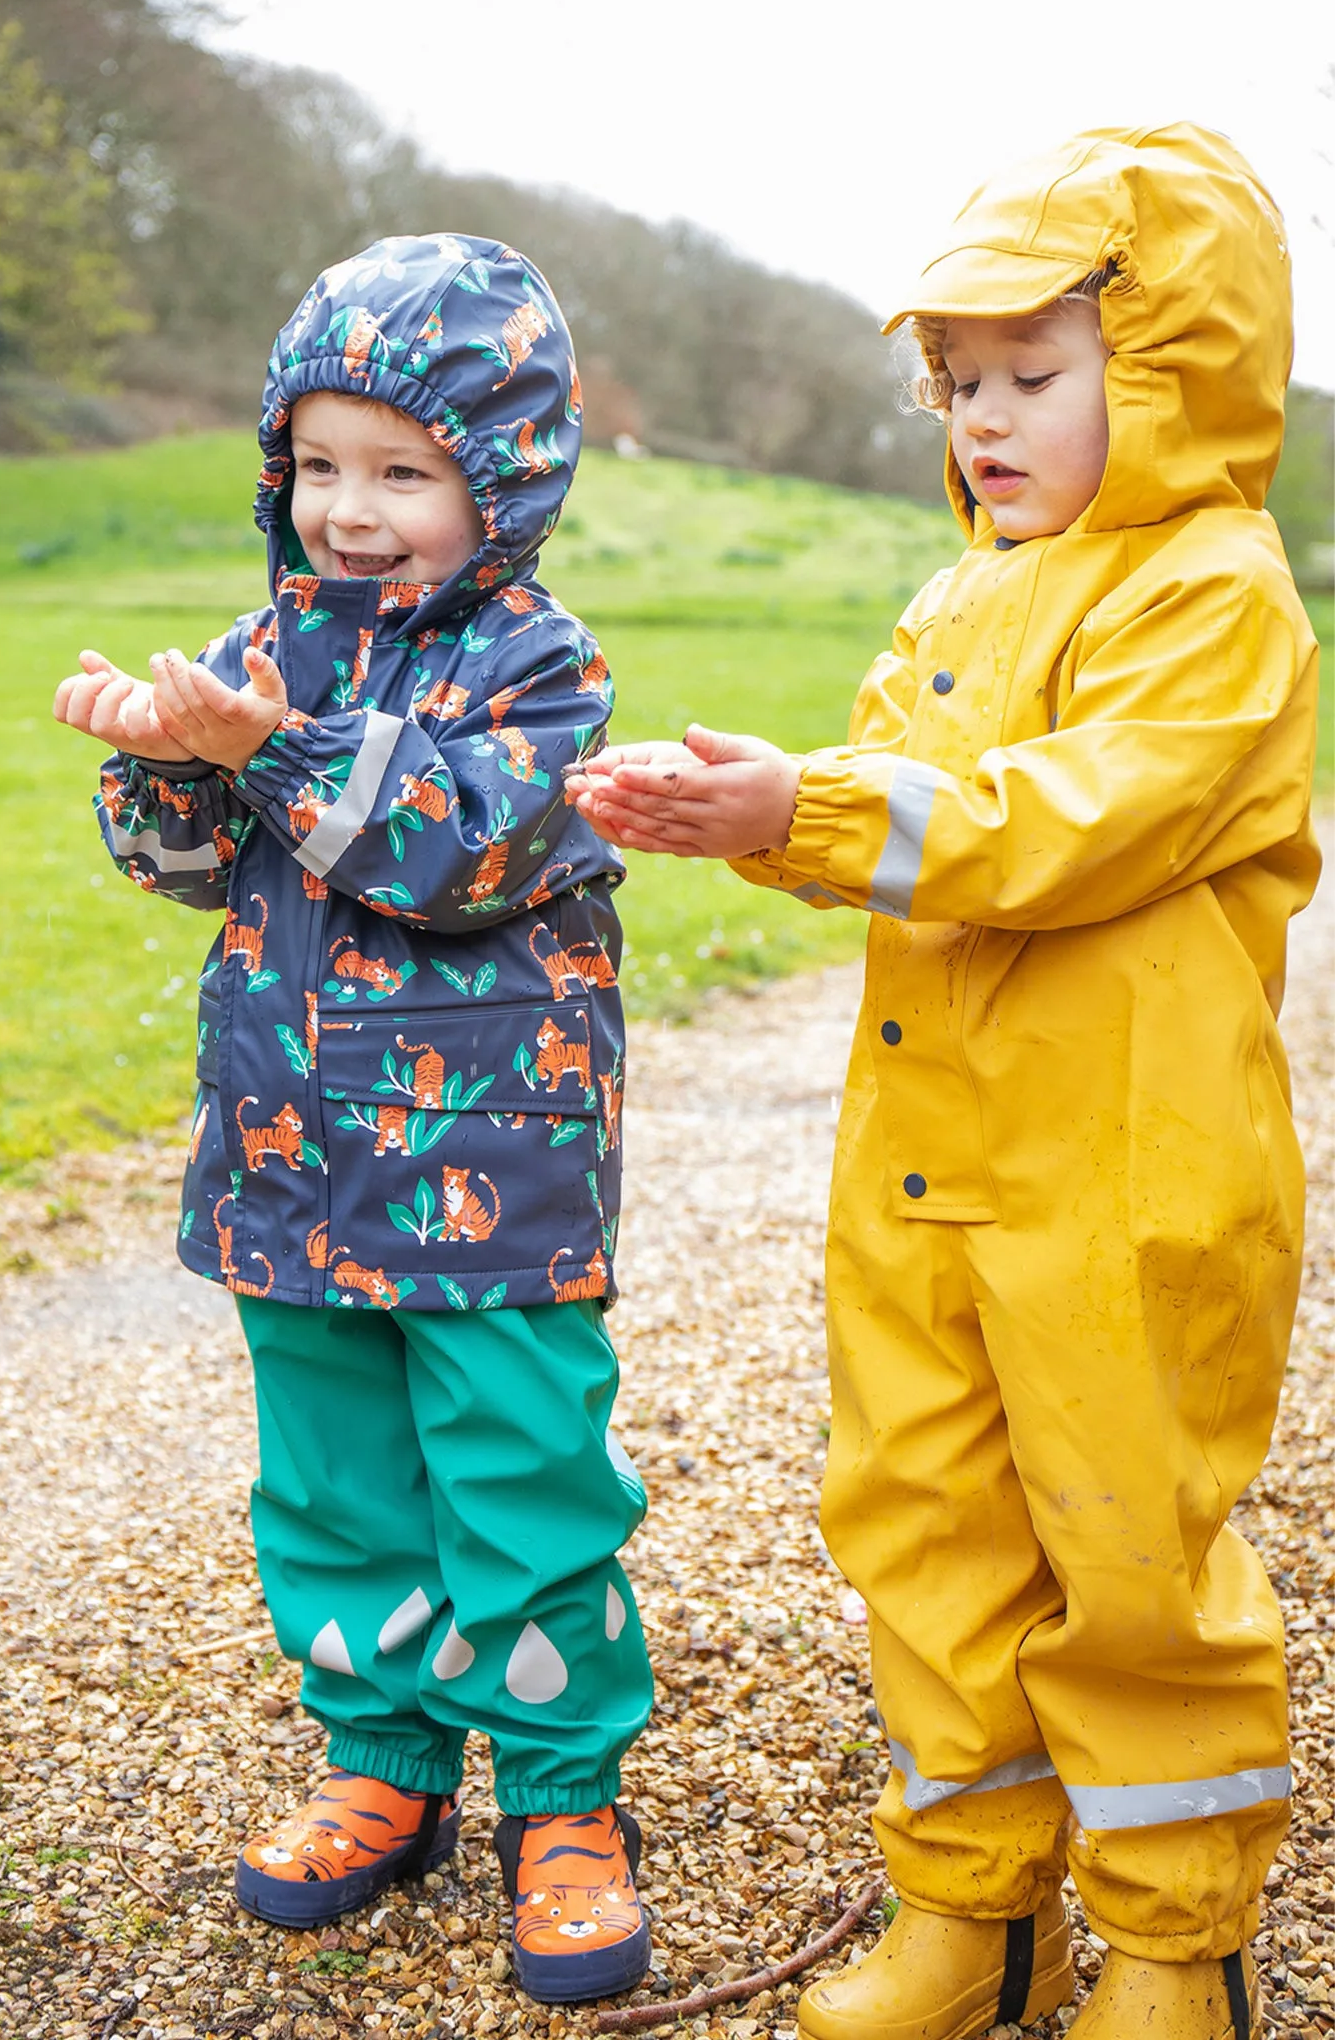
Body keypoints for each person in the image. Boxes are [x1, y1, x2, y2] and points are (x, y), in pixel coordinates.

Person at [568, 126, 1321, 2040]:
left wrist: (803, 808)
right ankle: (973, 1915)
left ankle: (1170, 1941)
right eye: (958, 383)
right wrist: (749, 805)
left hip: (1125, 1180)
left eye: (1033, 376)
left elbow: (1064, 826)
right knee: (923, 1524)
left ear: (1165, 371)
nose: (983, 421)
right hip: (922, 1168)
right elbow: (894, 806)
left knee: (1127, 1546)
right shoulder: (960, 589)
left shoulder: (1212, 590)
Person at [52, 233, 655, 2005]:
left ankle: (559, 1795)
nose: (351, 511)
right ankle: (383, 1765)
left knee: (522, 1481)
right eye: (318, 467)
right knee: (327, 1489)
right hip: (288, 1167)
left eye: (403, 472)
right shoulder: (266, 647)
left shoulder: (540, 666)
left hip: (499, 1174)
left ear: (505, 477)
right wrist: (169, 757)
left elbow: (460, 852)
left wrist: (278, 754)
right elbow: (181, 867)